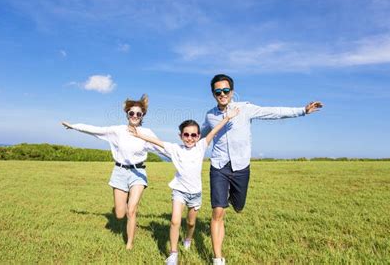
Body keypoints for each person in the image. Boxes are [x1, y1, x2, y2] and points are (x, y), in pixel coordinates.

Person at [201, 74, 323, 265]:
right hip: (218, 166)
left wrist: (302, 111)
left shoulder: (246, 109)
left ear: (232, 92)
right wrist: (184, 141)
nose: (222, 94)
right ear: (213, 94)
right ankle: (218, 258)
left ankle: (233, 201)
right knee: (217, 211)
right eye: (218, 91)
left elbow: (273, 112)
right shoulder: (210, 115)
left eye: (226, 90)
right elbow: (201, 135)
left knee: (239, 206)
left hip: (241, 167)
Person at [128, 107, 240, 265]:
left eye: (193, 135)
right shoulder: (175, 149)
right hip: (179, 191)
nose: (190, 138)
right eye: (186, 134)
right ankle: (173, 253)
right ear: (180, 136)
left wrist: (227, 117)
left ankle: (188, 238)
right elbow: (156, 141)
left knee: (191, 223)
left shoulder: (201, 146)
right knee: (175, 221)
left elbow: (214, 131)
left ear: (198, 136)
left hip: (195, 194)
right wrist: (139, 134)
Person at [61, 94, 161, 250]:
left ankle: (129, 243)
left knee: (132, 209)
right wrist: (74, 126)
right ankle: (127, 210)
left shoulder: (147, 132)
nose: (135, 116)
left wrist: (183, 154)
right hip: (120, 172)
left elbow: (161, 147)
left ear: (142, 116)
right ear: (127, 114)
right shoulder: (117, 131)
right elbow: (95, 130)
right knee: (120, 214)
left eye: (138, 114)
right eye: (131, 113)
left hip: (138, 172)